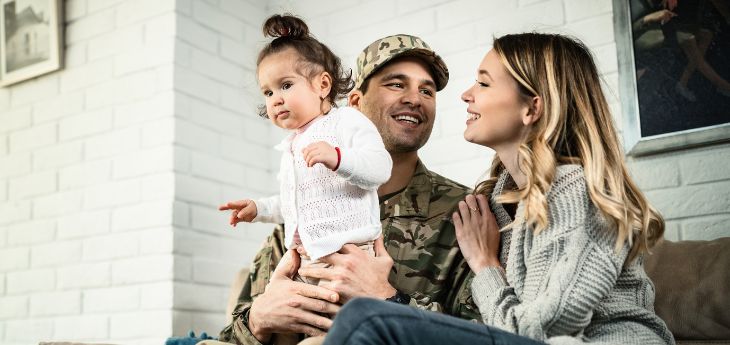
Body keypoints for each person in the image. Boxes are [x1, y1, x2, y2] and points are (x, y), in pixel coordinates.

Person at [323, 33, 676, 345]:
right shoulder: (498, 202)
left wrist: (485, 265)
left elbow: (539, 330)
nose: (465, 95)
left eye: (484, 83)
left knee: (366, 319)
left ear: (531, 108)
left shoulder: (576, 192)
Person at [218, 33, 480, 345]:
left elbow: (486, 336)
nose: (415, 98)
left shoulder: (463, 213)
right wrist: (258, 319)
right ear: (354, 102)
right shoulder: (299, 219)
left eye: (428, 90)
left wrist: (388, 300)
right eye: (396, 84)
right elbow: (228, 338)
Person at [219, 13, 392, 294]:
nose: (276, 99)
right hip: (304, 259)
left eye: (285, 85)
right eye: (268, 92)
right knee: (286, 325)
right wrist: (259, 209)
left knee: (338, 328)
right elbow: (295, 204)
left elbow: (380, 168)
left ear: (322, 85)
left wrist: (338, 158)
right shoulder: (292, 144)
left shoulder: (345, 121)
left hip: (350, 256)